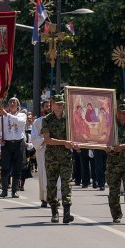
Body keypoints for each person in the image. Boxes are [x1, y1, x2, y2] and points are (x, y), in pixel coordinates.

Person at [42, 94, 74, 223]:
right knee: (51, 185)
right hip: (52, 158)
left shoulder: (69, 118)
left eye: (62, 104)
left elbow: (75, 135)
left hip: (66, 157)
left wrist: (75, 144)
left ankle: (67, 213)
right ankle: (54, 211)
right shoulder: (47, 120)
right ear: (52, 104)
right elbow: (47, 140)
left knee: (67, 184)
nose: (60, 106)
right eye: (57, 103)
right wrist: (64, 143)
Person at [0, 97, 27, 198]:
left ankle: (14, 191)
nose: (12, 104)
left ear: (18, 105)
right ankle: (4, 190)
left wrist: (7, 114)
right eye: (11, 102)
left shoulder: (22, 115)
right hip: (7, 144)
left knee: (17, 167)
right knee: (5, 167)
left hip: (18, 143)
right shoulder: (3, 117)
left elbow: (19, 122)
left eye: (14, 102)